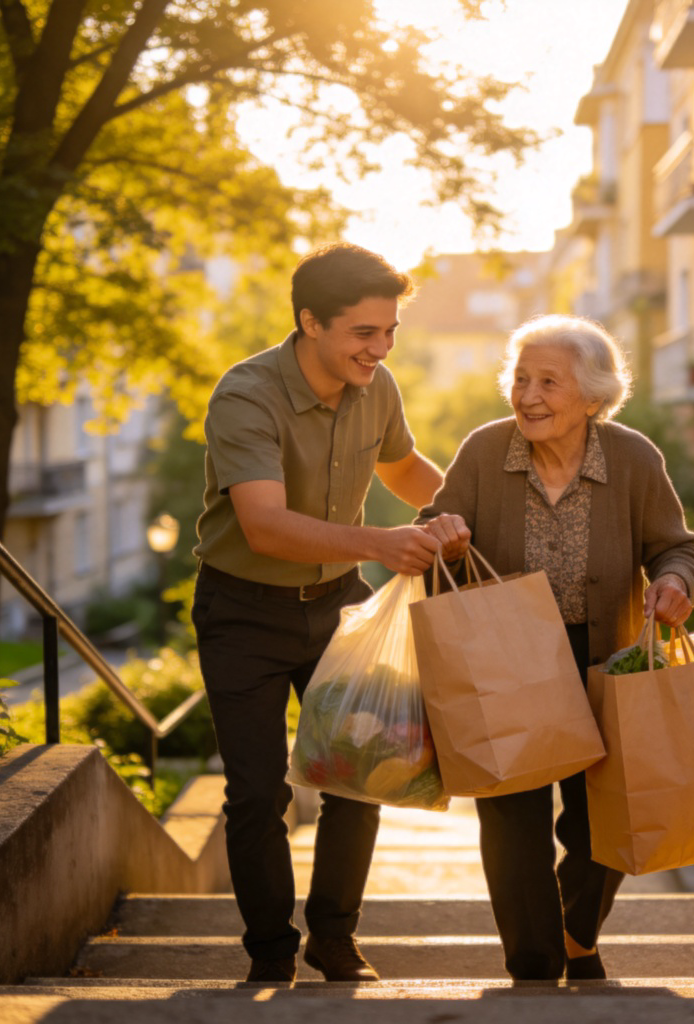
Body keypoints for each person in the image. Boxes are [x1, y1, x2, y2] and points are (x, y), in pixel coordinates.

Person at [191, 242, 469, 985]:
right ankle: (271, 953)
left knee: (361, 772)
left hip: (338, 603)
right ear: (310, 322)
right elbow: (265, 526)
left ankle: (335, 939)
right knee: (257, 792)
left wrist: (461, 516)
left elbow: (407, 471)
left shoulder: (375, 387)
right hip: (243, 609)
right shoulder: (246, 394)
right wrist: (385, 542)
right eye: (363, 334)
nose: (379, 349)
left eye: (390, 333)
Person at [417, 313, 694, 982]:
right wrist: (445, 538)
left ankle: (577, 930)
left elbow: (676, 546)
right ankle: (535, 962)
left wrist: (674, 581)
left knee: (604, 817)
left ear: (594, 396)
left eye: (549, 381)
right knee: (512, 818)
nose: (528, 396)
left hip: (603, 656)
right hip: (501, 659)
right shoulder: (485, 452)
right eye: (520, 379)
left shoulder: (633, 457)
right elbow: (433, 532)